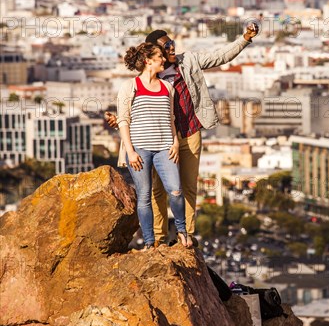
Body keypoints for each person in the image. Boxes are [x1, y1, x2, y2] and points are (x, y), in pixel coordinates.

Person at [107, 24, 257, 246]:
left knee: (186, 186)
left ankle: (186, 234)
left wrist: (244, 39)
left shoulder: (188, 62)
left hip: (189, 133)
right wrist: (117, 121)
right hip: (159, 139)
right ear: (153, 53)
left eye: (172, 43)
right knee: (156, 191)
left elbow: (219, 56)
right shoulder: (144, 79)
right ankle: (157, 238)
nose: (171, 48)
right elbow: (130, 112)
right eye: (166, 45)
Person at [117, 42, 191, 250]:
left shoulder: (167, 88)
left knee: (175, 190)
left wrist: (175, 142)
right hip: (139, 149)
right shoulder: (130, 87)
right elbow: (124, 121)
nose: (164, 60)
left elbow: (172, 119)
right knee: (144, 196)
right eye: (159, 57)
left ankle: (182, 230)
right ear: (148, 61)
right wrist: (130, 152)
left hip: (164, 147)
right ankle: (150, 242)